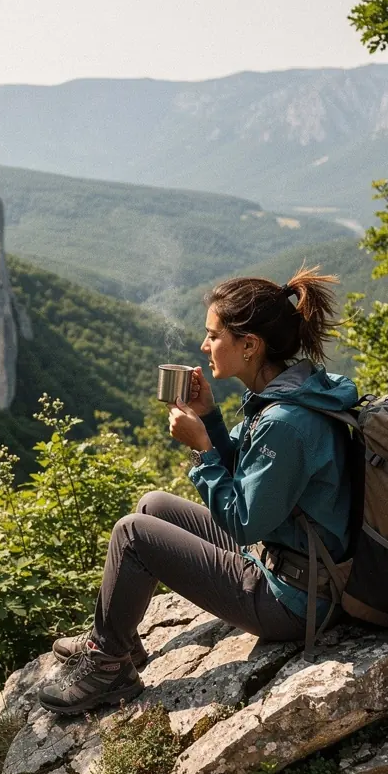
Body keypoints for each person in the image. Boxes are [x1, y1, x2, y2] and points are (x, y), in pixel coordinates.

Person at [38, 267, 358, 715]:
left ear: (249, 345)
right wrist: (210, 418)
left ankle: (108, 669)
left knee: (133, 534)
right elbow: (256, 482)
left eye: (213, 336)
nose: (204, 347)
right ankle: (119, 641)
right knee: (153, 506)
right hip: (291, 558)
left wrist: (203, 452)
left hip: (294, 599)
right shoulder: (289, 394)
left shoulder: (286, 422)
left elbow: (245, 523)